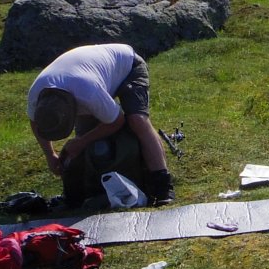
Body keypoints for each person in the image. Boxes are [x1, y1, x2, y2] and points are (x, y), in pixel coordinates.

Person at [27, 43, 174, 205]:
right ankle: (81, 193)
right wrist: (50, 155)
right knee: (85, 138)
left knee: (137, 120)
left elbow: (117, 120)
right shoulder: (36, 94)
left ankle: (163, 186)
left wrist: (82, 142)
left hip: (128, 65)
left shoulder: (88, 92)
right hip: (91, 72)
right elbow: (34, 123)